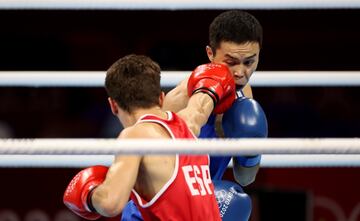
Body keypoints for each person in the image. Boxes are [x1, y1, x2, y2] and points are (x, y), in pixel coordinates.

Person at [121, 10, 268, 221]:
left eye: (249, 62)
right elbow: (145, 179)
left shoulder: (244, 94)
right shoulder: (179, 101)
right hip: (152, 216)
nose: (240, 72)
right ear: (210, 54)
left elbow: (245, 178)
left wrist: (251, 149)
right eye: (231, 62)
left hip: (196, 211)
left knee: (234, 202)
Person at [63, 54, 237, 220]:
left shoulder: (134, 137)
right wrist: (212, 87)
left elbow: (111, 204)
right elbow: (204, 98)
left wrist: (89, 193)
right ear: (161, 98)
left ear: (113, 105)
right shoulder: (189, 124)